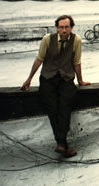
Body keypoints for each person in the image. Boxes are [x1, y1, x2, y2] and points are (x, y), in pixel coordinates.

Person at [21, 15, 90, 158]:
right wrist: (29, 79)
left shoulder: (76, 40)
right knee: (52, 108)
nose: (64, 30)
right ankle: (63, 144)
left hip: (66, 78)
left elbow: (77, 62)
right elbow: (39, 59)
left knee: (65, 107)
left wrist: (81, 80)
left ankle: (61, 144)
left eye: (66, 27)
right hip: (48, 78)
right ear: (57, 28)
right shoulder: (47, 39)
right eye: (61, 27)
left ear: (71, 27)